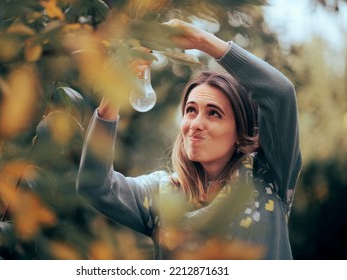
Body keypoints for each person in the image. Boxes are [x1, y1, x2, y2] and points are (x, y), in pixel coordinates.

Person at [76, 19, 302, 260]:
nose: (195, 124)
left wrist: (202, 41)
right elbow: (95, 186)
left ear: (240, 131)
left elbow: (280, 93)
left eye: (214, 113)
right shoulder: (161, 193)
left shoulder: (268, 175)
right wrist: (115, 92)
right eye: (191, 110)